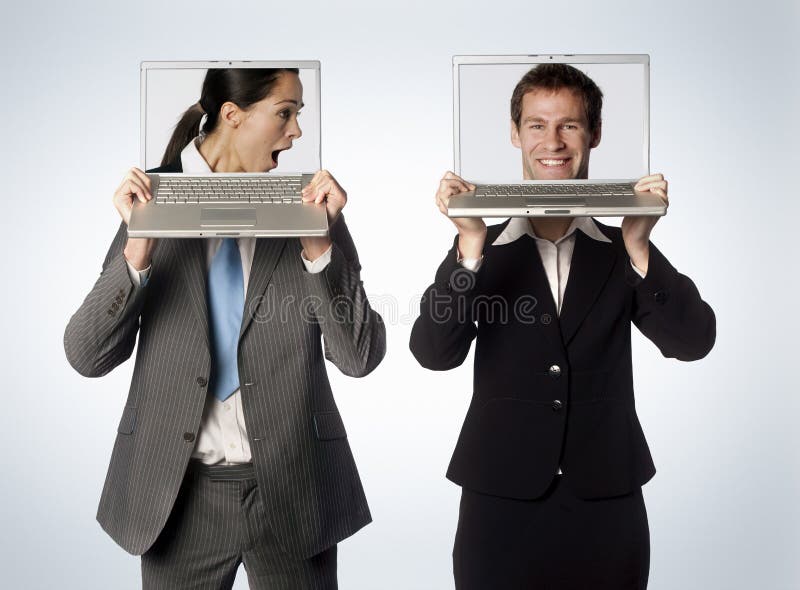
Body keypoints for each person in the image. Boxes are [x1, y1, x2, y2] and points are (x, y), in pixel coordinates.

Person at [64, 67, 385, 589]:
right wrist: (139, 245)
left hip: (292, 491)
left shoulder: (308, 208)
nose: (297, 132)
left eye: (299, 115)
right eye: (285, 113)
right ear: (233, 116)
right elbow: (87, 354)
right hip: (176, 496)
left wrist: (318, 244)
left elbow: (360, 356)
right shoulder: (153, 202)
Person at [409, 63, 716, 589]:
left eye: (569, 124)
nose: (552, 140)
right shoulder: (483, 249)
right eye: (536, 124)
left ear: (594, 133)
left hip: (607, 499)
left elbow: (693, 341)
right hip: (499, 499)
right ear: (515, 133)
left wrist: (639, 244)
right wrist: (470, 248)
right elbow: (435, 351)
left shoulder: (621, 251)